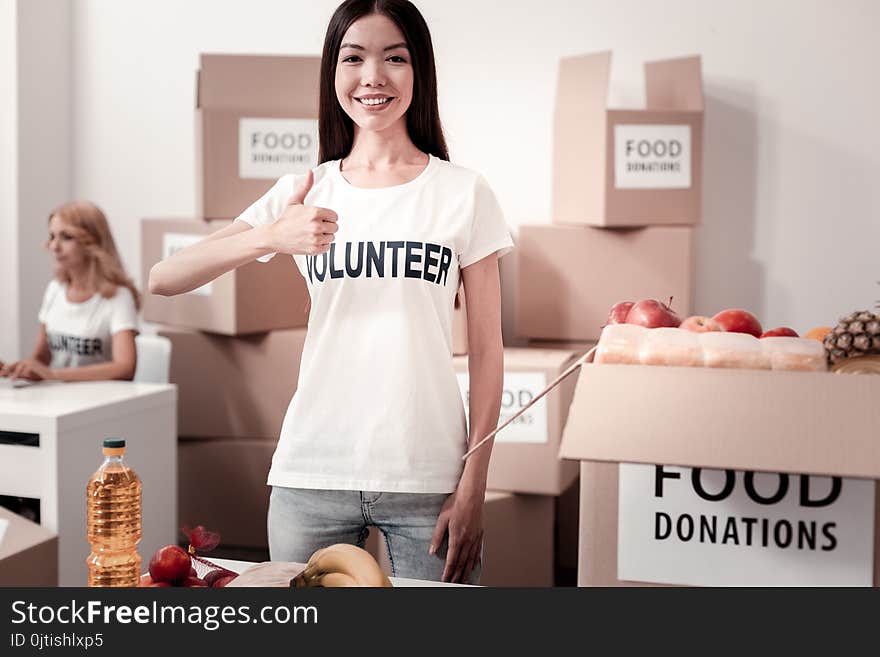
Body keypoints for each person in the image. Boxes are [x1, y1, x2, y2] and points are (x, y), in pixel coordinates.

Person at [149, 0, 512, 584]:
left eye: (394, 57)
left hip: (427, 478)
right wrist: (270, 235)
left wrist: (475, 483)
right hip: (310, 474)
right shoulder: (306, 188)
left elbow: (490, 350)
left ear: (419, 70)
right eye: (354, 58)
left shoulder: (463, 193)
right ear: (333, 73)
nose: (373, 77)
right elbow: (164, 279)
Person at [0, 201, 140, 382]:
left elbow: (125, 367)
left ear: (93, 242)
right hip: (58, 399)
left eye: (66, 237)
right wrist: (21, 369)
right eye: (52, 236)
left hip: (100, 402)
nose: (54, 246)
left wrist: (54, 375)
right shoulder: (54, 290)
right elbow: (41, 358)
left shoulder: (118, 297)